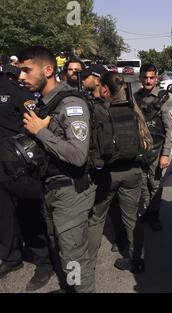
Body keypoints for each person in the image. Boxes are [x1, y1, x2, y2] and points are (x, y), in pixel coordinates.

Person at [18, 46, 97, 293]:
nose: (21, 76)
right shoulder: (46, 102)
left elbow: (77, 155)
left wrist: (39, 132)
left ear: (48, 70)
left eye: (26, 70)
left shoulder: (71, 104)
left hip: (70, 192)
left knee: (75, 258)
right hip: (51, 188)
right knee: (63, 251)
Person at [87, 72, 152, 274]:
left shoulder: (99, 110)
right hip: (132, 171)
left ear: (105, 89)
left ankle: (88, 266)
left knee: (96, 218)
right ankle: (137, 260)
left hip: (107, 174)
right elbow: (146, 142)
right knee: (132, 217)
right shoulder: (133, 109)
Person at [0, 73, 54, 291]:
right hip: (0, 168)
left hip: (20, 167)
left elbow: (38, 123)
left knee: (30, 216)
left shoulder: (13, 89)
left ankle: (44, 263)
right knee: (4, 216)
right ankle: (11, 257)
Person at [134, 63, 172, 231]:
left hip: (158, 149)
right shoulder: (135, 97)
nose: (148, 81)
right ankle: (149, 212)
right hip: (140, 149)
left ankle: (154, 215)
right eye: (145, 77)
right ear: (140, 78)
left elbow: (171, 128)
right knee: (143, 183)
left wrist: (165, 154)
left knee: (156, 184)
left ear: (157, 78)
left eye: (152, 77)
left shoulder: (163, 97)